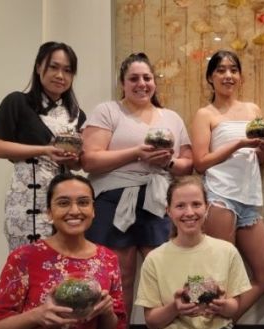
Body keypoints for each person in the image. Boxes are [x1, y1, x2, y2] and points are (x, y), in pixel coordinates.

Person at [81, 52, 193, 321]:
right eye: (134, 78)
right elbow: (89, 160)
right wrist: (137, 154)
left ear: (154, 81)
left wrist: (167, 163)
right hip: (113, 201)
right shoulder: (108, 111)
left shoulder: (171, 118)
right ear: (122, 82)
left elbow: (188, 164)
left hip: (157, 199)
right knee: (121, 277)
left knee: (162, 275)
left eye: (147, 77)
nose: (141, 83)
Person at [191, 49, 264, 321]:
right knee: (215, 277)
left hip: (250, 199)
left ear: (240, 76)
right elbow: (200, 162)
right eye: (220, 70)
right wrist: (239, 142)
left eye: (233, 70)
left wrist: (263, 149)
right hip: (220, 196)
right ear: (210, 78)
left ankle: (224, 321)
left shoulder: (253, 109)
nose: (228, 75)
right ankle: (205, 324)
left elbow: (261, 160)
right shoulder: (205, 114)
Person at [0, 173, 127, 329]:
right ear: (49, 212)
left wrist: (107, 312)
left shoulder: (108, 258)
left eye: (83, 202)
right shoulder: (25, 257)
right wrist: (37, 315)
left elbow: (117, 325)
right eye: (63, 203)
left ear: (93, 210)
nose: (75, 210)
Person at [0, 41, 86, 251]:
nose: (60, 75)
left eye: (67, 70)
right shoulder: (17, 102)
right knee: (27, 264)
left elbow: (76, 166)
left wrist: (73, 159)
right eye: (54, 67)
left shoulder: (77, 114)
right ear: (39, 67)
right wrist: (45, 150)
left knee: (61, 264)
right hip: (25, 198)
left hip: (63, 201)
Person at [135, 175, 251, 329]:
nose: (189, 212)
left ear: (207, 207)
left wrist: (222, 306)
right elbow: (151, 321)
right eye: (180, 206)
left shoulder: (227, 252)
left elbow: (234, 307)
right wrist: (175, 308)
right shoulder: (154, 259)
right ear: (168, 211)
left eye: (196, 204)